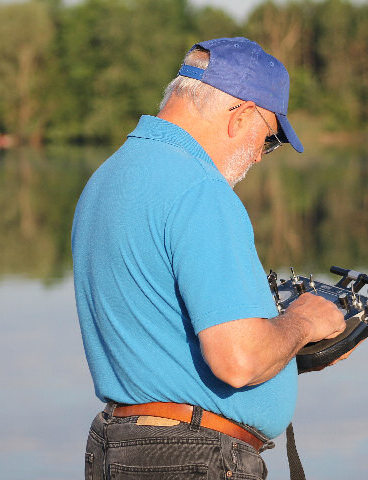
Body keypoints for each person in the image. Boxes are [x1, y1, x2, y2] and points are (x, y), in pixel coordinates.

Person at [72, 37, 345, 480]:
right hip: (191, 458)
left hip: (117, 447)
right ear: (241, 114)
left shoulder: (109, 176)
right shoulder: (200, 189)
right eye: (269, 139)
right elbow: (238, 361)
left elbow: (161, 338)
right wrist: (305, 322)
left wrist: (285, 348)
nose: (259, 154)